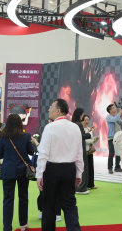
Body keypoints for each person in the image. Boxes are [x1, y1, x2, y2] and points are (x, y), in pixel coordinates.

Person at [36, 98, 83, 231]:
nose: (49, 109)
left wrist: (39, 174)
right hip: (69, 169)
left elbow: (43, 153)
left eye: (51, 107)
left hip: (52, 169)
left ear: (58, 111)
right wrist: (79, 173)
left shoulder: (50, 127)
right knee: (70, 204)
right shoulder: (75, 127)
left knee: (49, 205)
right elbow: (79, 153)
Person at [0, 114, 35, 231]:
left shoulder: (3, 137)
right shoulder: (26, 136)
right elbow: (31, 151)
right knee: (23, 197)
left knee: (8, 199)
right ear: (20, 123)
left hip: (8, 170)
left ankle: (7, 227)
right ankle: (23, 224)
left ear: (7, 123)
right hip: (23, 171)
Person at [72, 108, 91, 195]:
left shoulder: (73, 124)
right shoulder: (79, 124)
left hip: (75, 148)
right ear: (80, 115)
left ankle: (77, 187)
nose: (83, 117)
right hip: (81, 148)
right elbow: (82, 136)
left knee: (77, 168)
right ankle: (81, 188)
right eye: (82, 115)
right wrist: (89, 134)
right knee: (83, 167)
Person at [81, 114, 99, 189]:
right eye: (85, 120)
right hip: (84, 150)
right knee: (85, 169)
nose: (87, 121)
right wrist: (92, 140)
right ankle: (85, 184)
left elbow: (90, 138)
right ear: (82, 121)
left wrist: (95, 139)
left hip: (90, 150)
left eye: (88, 120)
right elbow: (83, 140)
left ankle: (91, 184)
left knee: (91, 168)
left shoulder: (89, 128)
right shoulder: (81, 129)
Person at [106, 104, 122, 174]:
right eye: (113, 108)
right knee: (111, 153)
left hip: (118, 137)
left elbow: (121, 123)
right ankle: (110, 168)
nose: (115, 108)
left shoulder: (117, 117)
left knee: (118, 152)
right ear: (110, 110)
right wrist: (120, 112)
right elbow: (114, 119)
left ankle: (117, 167)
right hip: (112, 137)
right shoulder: (108, 117)